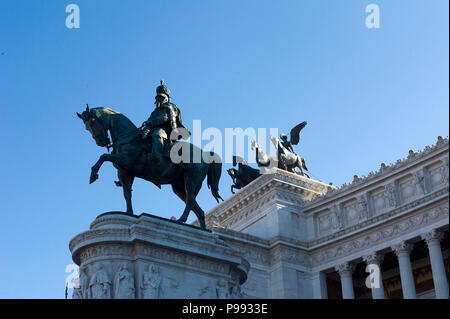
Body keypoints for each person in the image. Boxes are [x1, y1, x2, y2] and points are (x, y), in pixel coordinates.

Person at [141, 80, 190, 163]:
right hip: (153, 128)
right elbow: (150, 120)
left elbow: (164, 118)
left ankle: (157, 156)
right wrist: (146, 128)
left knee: (157, 134)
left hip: (167, 130)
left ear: (167, 98)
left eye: (162, 98)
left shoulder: (170, 107)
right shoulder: (155, 111)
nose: (159, 100)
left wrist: (149, 122)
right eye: (158, 98)